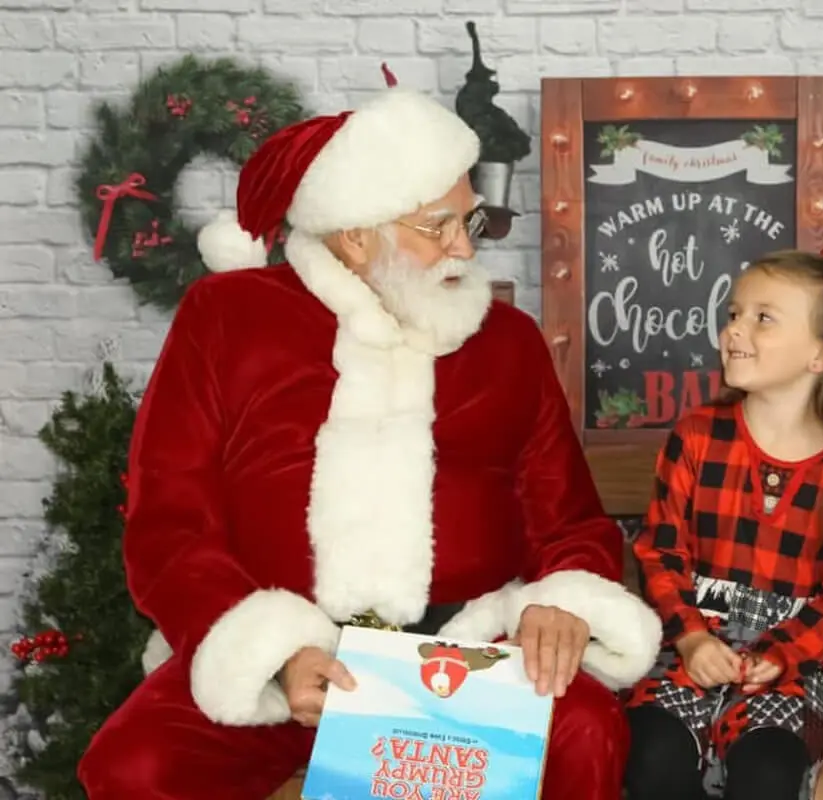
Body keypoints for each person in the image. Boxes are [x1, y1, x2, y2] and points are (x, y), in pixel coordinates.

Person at [77, 83, 662, 800]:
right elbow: (170, 523)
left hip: (470, 653)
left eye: (469, 218)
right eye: (438, 224)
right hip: (294, 663)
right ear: (355, 235)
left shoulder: (507, 341)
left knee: (588, 734)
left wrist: (561, 599)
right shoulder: (227, 319)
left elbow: (568, 519)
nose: (464, 246)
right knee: (132, 767)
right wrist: (277, 653)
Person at [623, 226, 823, 800]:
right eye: (735, 313)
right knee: (650, 754)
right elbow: (661, 551)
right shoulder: (698, 435)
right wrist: (693, 639)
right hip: (688, 650)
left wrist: (780, 655)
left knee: (769, 772)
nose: (734, 329)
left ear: (821, 354)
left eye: (763, 317)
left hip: (790, 669)